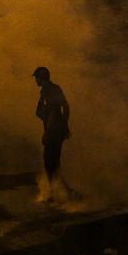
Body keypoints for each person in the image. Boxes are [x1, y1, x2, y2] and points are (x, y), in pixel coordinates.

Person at [33, 66, 71, 202]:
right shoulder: (53, 89)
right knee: (54, 162)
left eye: (36, 78)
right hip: (57, 131)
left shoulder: (48, 92)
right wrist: (65, 124)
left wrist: (47, 133)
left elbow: (53, 114)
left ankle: (58, 193)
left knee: (49, 163)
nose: (35, 81)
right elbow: (65, 107)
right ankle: (60, 192)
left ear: (41, 78)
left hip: (53, 132)